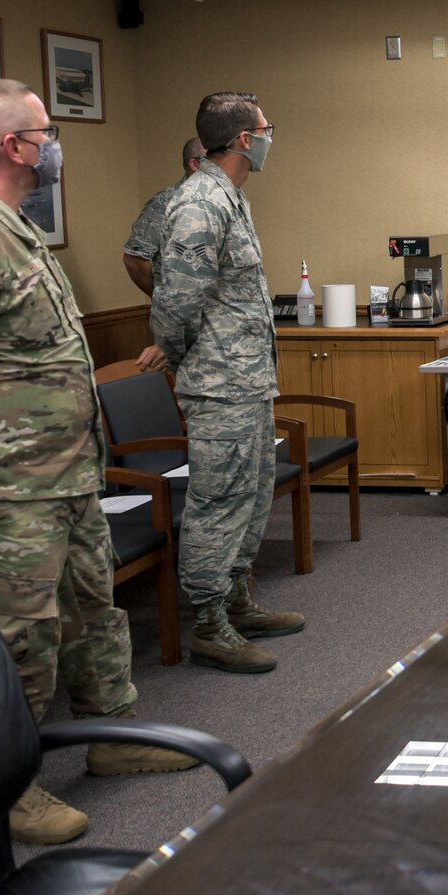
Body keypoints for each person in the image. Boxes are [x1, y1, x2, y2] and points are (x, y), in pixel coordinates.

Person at [0, 79, 196, 847]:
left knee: (93, 613)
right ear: (14, 146)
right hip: (0, 488)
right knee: (15, 638)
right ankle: (7, 785)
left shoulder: (12, 227)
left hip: (63, 475)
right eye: (46, 131)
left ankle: (113, 736)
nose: (56, 142)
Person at [150, 92, 304, 674]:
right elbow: (176, 303)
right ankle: (209, 622)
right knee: (218, 502)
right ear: (244, 139)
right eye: (267, 129)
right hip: (219, 384)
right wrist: (185, 360)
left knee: (251, 494)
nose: (269, 137)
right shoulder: (198, 203)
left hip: (246, 381)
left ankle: (238, 600)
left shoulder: (230, 198)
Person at [121, 137, 205, 371]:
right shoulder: (166, 203)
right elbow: (135, 259)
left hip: (216, 325)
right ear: (194, 165)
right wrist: (161, 296)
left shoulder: (218, 203)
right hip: (179, 326)